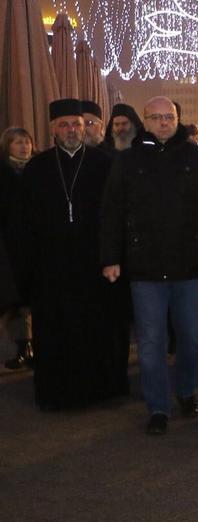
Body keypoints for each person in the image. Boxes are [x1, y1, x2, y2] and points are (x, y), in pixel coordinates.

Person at [101, 97, 198, 435]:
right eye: (155, 117)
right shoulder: (128, 161)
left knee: (190, 338)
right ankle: (157, 406)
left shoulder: (197, 158)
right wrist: (110, 257)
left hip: (189, 266)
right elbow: (113, 211)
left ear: (178, 119)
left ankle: (186, 390)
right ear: (145, 120)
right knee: (151, 342)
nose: (162, 122)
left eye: (168, 117)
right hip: (146, 268)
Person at [18, 99, 128, 409]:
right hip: (50, 269)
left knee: (97, 328)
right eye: (64, 125)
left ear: (85, 128)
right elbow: (24, 224)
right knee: (55, 332)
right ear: (52, 129)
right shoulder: (37, 169)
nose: (71, 130)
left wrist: (114, 256)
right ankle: (57, 393)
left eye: (76, 125)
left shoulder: (104, 164)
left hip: (95, 264)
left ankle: (101, 389)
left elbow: (117, 215)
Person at [0, 127, 33, 369]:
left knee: (31, 302)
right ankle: (22, 346)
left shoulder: (40, 169)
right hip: (9, 247)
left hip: (35, 246)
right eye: (17, 143)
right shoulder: (4, 173)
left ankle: (32, 347)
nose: (23, 146)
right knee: (13, 301)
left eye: (26, 142)